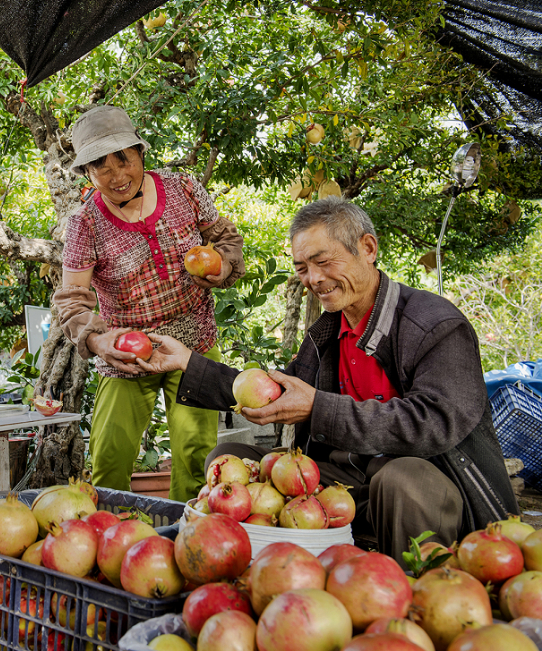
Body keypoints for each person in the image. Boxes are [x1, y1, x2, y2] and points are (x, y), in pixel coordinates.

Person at [139, 196, 519, 561]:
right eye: (302, 268)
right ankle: (253, 574)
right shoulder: (327, 330)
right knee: (231, 457)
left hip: (428, 483)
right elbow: (276, 393)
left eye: (322, 261)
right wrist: (187, 362)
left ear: (368, 248)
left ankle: (413, 594)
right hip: (349, 478)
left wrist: (319, 408)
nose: (313, 279)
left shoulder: (435, 324)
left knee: (401, 478)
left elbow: (435, 423)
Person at [54, 105, 246, 501]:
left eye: (123, 159)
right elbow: (72, 301)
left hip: (193, 340)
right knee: (110, 457)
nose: (117, 175)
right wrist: (98, 342)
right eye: (100, 167)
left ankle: (189, 540)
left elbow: (227, 241)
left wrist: (221, 266)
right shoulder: (84, 223)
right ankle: (112, 544)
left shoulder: (185, 189)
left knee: (198, 460)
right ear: (87, 174)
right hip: (127, 351)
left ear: (141, 153)